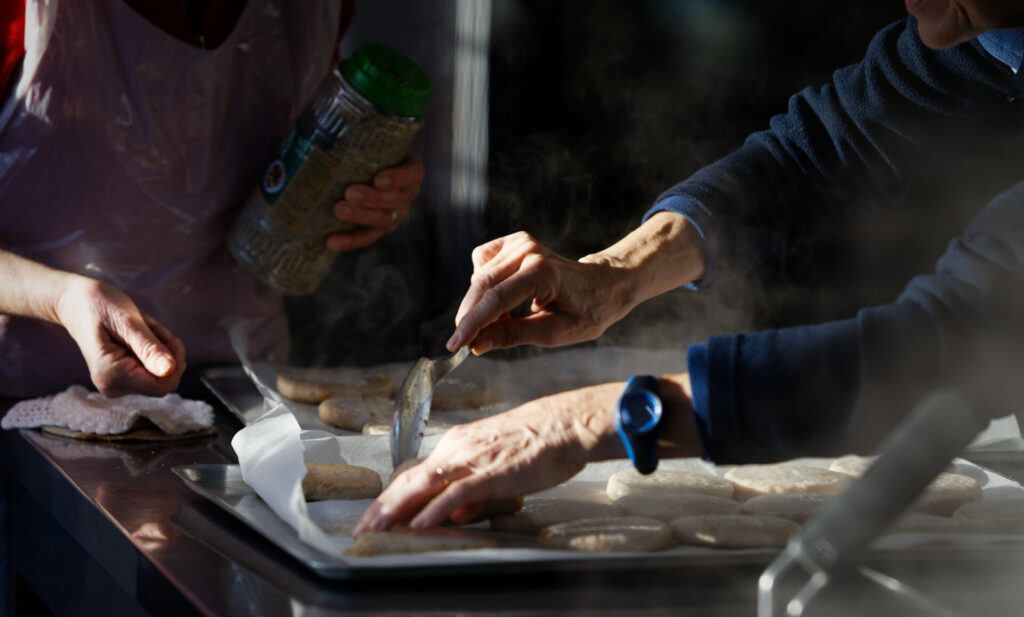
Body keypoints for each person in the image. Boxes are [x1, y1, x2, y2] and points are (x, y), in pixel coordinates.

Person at [355, 0, 1024, 535]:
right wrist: (614, 274)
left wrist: (589, 420)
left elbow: (957, 342)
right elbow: (827, 148)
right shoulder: (991, 31)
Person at [0, 0, 426, 399]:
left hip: (248, 393)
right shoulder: (21, 13)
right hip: (32, 399)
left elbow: (309, 148)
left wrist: (370, 188)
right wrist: (59, 298)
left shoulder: (313, 10)